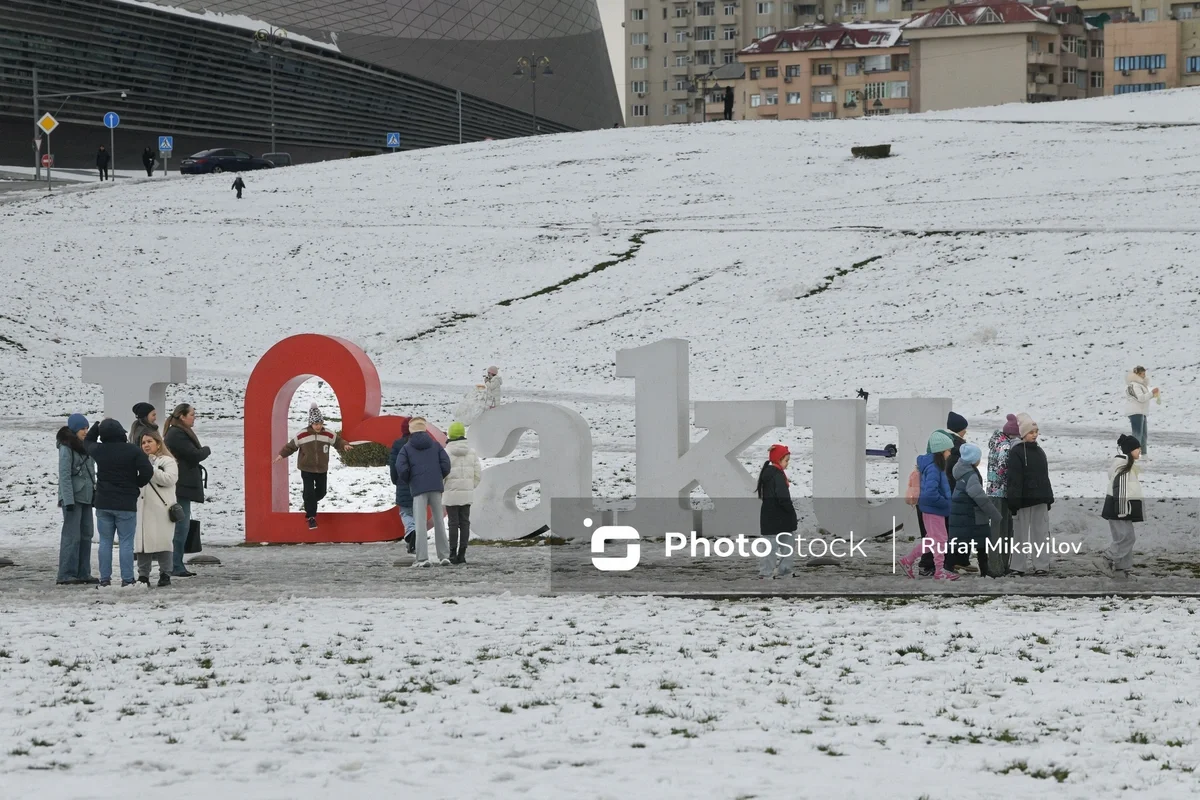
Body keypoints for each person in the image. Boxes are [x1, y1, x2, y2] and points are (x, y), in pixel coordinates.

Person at [85, 418, 153, 587]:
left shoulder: (99, 450)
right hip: (126, 503)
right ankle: (127, 579)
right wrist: (137, 483)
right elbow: (147, 470)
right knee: (126, 542)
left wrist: (96, 427)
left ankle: (105, 579)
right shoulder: (133, 451)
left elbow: (87, 441)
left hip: (103, 502)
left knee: (105, 542)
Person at [273, 403, 352, 529]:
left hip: (322, 469)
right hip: (306, 468)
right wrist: (281, 455)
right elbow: (291, 446)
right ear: (311, 423)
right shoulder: (302, 435)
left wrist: (345, 445)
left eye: (320, 423)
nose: (318, 426)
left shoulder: (327, 434)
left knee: (321, 492)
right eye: (316, 424)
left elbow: (338, 441)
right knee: (309, 492)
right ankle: (311, 518)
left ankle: (308, 502)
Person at [899, 431, 958, 581]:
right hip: (934, 510)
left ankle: (908, 560)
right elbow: (931, 492)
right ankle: (939, 571)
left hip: (932, 509)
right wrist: (945, 502)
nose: (950, 453)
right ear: (941, 451)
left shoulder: (935, 466)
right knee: (940, 540)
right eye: (948, 450)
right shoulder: (934, 468)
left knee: (931, 540)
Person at [394, 417, 451, 567]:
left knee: (419, 523)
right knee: (439, 521)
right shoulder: (435, 445)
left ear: (411, 430)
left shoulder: (407, 448)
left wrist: (410, 479)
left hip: (418, 489)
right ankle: (444, 555)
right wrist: (439, 477)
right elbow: (446, 463)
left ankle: (422, 558)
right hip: (436, 487)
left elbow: (400, 467)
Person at [163, 403, 210, 576]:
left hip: (183, 484)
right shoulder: (177, 434)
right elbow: (195, 455)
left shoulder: (176, 432)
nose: (194, 417)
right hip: (181, 485)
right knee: (180, 526)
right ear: (182, 416)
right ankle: (175, 565)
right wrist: (206, 450)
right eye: (191, 414)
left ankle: (176, 564)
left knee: (181, 525)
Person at [1005, 413, 1053, 577]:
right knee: (1020, 534)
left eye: (1036, 431)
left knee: (1040, 533)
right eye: (1031, 432)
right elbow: (1014, 478)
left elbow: (1044, 476)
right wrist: (1013, 500)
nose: (1035, 434)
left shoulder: (1040, 451)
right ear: (1023, 433)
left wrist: (1048, 497)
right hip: (1022, 500)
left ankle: (1042, 564)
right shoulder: (1016, 452)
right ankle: (1018, 566)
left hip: (1040, 499)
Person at [921, 412, 968, 575]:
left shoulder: (941, 445)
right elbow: (936, 485)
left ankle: (933, 565)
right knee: (940, 536)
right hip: (942, 501)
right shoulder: (954, 448)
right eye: (964, 429)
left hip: (940, 500)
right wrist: (945, 501)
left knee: (933, 536)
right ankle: (939, 568)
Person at [1095, 434, 1144, 581]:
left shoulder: (1127, 466)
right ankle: (1105, 559)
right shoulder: (1123, 467)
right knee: (1127, 538)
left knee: (1124, 537)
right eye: (1137, 449)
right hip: (1120, 509)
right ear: (1129, 450)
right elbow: (1120, 489)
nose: (1140, 451)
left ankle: (1121, 570)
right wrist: (1123, 510)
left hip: (1121, 509)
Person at [949, 443, 1002, 577]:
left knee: (959, 542)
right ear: (973, 460)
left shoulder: (960, 470)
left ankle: (948, 566)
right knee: (981, 544)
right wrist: (995, 514)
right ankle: (985, 571)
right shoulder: (971, 475)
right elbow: (980, 497)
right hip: (972, 515)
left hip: (961, 513)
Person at [56, 414, 97, 585]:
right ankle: (66, 573)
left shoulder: (86, 446)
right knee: (72, 536)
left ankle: (83, 572)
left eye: (87, 428)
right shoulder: (66, 448)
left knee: (87, 534)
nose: (85, 432)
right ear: (74, 429)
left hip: (86, 496)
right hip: (73, 498)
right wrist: (68, 500)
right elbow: (64, 476)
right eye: (82, 429)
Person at [134, 431, 178, 587]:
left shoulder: (168, 461)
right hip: (143, 508)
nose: (146, 445)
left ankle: (165, 573)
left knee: (163, 542)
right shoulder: (139, 461)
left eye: (149, 441)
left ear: (158, 443)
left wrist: (151, 469)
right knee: (143, 544)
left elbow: (170, 479)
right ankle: (143, 575)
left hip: (162, 509)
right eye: (143, 442)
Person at [983, 413, 1021, 577]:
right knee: (1002, 531)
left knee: (996, 530)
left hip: (992, 491)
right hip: (1002, 493)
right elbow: (1004, 469)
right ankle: (997, 567)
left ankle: (996, 565)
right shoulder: (1006, 447)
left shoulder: (996, 442)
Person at [756, 444, 798, 579]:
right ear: (778, 460)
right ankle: (778, 571)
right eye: (786, 460)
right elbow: (783, 497)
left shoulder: (769, 474)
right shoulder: (777, 475)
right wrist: (790, 511)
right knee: (785, 545)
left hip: (771, 516)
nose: (787, 464)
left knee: (773, 546)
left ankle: (769, 572)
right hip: (780, 516)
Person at [443, 421, 482, 565]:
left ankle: (452, 554)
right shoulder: (471, 452)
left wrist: (444, 487)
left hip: (450, 493)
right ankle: (462, 554)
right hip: (466, 493)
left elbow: (442, 473)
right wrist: (470, 486)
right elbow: (478, 474)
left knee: (453, 523)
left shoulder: (445, 452)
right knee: (465, 523)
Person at [387, 418, 416, 553]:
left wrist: (395, 480)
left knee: (405, 512)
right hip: (419, 484)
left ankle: (411, 531)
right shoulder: (421, 443)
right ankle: (415, 539)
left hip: (403, 483)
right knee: (418, 512)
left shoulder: (398, 444)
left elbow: (394, 464)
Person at [1124, 366, 1158, 457]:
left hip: (1141, 412)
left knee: (1143, 435)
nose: (1144, 376)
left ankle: (1144, 454)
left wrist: (1151, 394)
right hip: (1136, 412)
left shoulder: (1140, 385)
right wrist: (1152, 393)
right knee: (1137, 435)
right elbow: (1141, 398)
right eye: (1142, 374)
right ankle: (1133, 456)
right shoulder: (1134, 385)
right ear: (1137, 374)